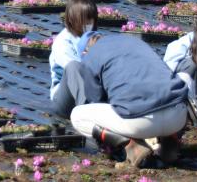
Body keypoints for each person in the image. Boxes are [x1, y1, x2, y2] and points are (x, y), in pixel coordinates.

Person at [70, 32, 188, 168]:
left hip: (140, 122)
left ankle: (131, 144)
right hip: (178, 116)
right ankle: (169, 142)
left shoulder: (91, 56)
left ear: (85, 52)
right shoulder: (134, 42)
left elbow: (96, 100)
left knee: (77, 116)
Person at [49, 0, 98, 118]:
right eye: (84, 20)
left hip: (92, 95)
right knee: (74, 67)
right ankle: (88, 114)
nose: (88, 23)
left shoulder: (94, 38)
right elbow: (74, 70)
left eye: (90, 19)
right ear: (71, 19)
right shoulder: (63, 41)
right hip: (64, 100)